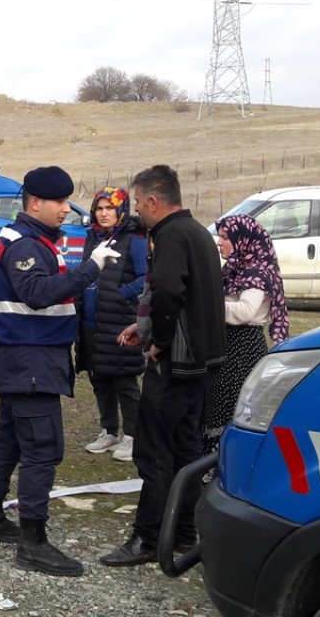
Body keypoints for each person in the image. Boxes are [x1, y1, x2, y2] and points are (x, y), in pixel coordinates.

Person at [0, 166, 121, 577]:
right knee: (42, 449)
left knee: (10, 439)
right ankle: (33, 543)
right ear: (35, 202)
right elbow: (37, 294)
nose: (65, 209)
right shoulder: (24, 243)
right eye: (59, 202)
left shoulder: (39, 239)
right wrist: (90, 269)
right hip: (29, 358)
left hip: (27, 356)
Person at [101, 164, 225, 567]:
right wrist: (148, 328)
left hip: (177, 365)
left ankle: (149, 538)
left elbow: (169, 290)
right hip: (202, 363)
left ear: (154, 201)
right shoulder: (199, 234)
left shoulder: (172, 235)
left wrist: (161, 341)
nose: (137, 208)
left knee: (153, 451)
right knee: (184, 451)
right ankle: (184, 530)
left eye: (138, 202)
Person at [203, 214, 289, 457]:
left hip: (242, 348)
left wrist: (207, 306)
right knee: (216, 406)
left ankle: (222, 468)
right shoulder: (234, 268)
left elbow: (245, 311)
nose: (220, 242)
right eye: (219, 236)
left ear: (243, 240)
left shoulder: (255, 271)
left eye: (225, 237)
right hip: (228, 344)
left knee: (227, 408)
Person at [77, 187, 148, 462]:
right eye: (99, 208)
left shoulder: (134, 239)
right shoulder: (92, 237)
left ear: (121, 210)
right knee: (99, 379)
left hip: (120, 320)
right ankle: (109, 430)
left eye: (109, 208)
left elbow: (145, 277)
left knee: (124, 381)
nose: (104, 213)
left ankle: (133, 435)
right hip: (92, 321)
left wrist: (120, 294)